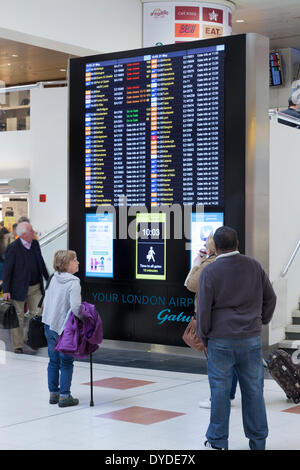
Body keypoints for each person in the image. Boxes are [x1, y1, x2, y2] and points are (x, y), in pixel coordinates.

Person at [197, 226, 276, 451]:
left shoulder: (210, 271)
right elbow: (270, 298)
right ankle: (258, 441)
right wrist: (260, 321)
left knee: (220, 392)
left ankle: (218, 441)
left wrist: (204, 337)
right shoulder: (254, 266)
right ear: (238, 244)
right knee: (253, 391)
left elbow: (203, 309)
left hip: (220, 340)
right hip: (250, 339)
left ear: (217, 247)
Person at [185, 235, 238, 408]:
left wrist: (196, 263)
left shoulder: (210, 263)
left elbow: (191, 284)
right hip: (233, 317)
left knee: (213, 359)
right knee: (232, 358)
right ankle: (228, 394)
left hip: (211, 318)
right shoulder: (239, 262)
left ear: (210, 248)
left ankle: (216, 397)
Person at [42, 250, 82, 408]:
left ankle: (54, 394)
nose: (77, 262)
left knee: (53, 361)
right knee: (66, 363)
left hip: (49, 324)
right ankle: (65, 396)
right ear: (67, 264)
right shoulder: (74, 282)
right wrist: (86, 319)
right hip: (64, 328)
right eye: (75, 260)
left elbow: (46, 301)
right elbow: (76, 308)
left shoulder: (54, 278)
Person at [2, 222, 49, 353]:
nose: (33, 231)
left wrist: (48, 278)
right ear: (23, 234)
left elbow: (41, 262)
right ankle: (18, 345)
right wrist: (6, 290)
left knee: (37, 314)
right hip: (18, 288)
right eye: (30, 230)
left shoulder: (35, 244)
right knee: (18, 317)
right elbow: (7, 270)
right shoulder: (13, 248)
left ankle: (29, 337)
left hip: (35, 286)